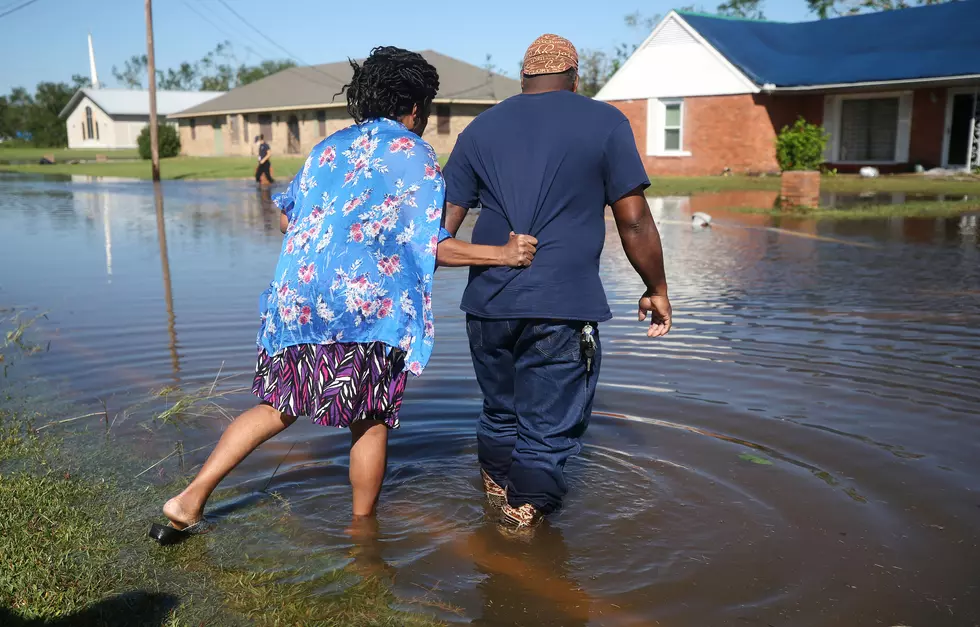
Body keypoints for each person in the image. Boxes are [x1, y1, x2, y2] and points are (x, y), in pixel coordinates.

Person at [150, 46, 537, 544]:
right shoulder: (412, 154)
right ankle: (363, 538)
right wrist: (501, 254)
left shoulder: (327, 148)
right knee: (370, 420)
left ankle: (190, 498)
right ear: (415, 107)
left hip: (298, 303)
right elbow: (428, 245)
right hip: (363, 310)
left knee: (276, 408)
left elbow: (289, 217)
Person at [441, 34, 671, 530]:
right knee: (547, 427)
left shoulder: (479, 130)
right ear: (574, 79)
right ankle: (522, 518)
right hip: (562, 305)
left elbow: (439, 230)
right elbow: (633, 221)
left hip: (487, 303)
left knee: (500, 411)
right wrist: (656, 288)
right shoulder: (604, 122)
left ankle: (497, 492)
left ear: (523, 78)